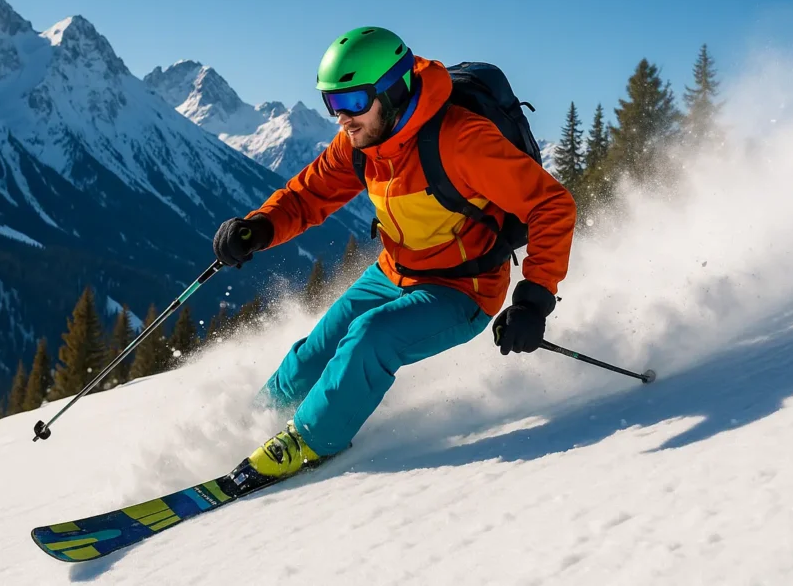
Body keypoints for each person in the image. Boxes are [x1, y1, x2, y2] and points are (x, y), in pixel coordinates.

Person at [213, 26, 576, 482]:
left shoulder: (461, 140)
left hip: (462, 287)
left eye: (353, 101)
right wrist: (259, 227)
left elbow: (551, 205)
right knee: (315, 352)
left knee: (371, 337)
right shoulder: (362, 141)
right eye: (332, 103)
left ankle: (310, 441)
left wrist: (533, 299)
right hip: (394, 271)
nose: (342, 118)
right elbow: (308, 195)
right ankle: (258, 421)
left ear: (394, 90)